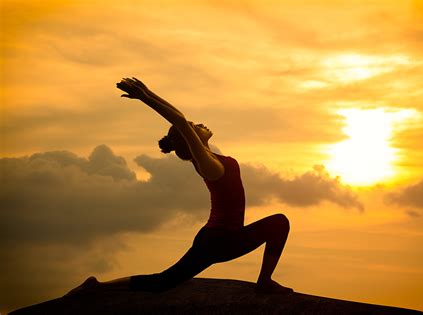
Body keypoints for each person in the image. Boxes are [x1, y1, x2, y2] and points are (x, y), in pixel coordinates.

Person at [66, 77, 293, 295]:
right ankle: (96, 287)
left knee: (279, 223)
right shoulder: (208, 165)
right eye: (195, 126)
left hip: (225, 237)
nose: (200, 123)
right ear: (190, 137)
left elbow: (182, 122)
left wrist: (148, 91)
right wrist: (144, 97)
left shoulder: (209, 157)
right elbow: (180, 121)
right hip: (217, 241)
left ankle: (264, 282)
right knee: (163, 282)